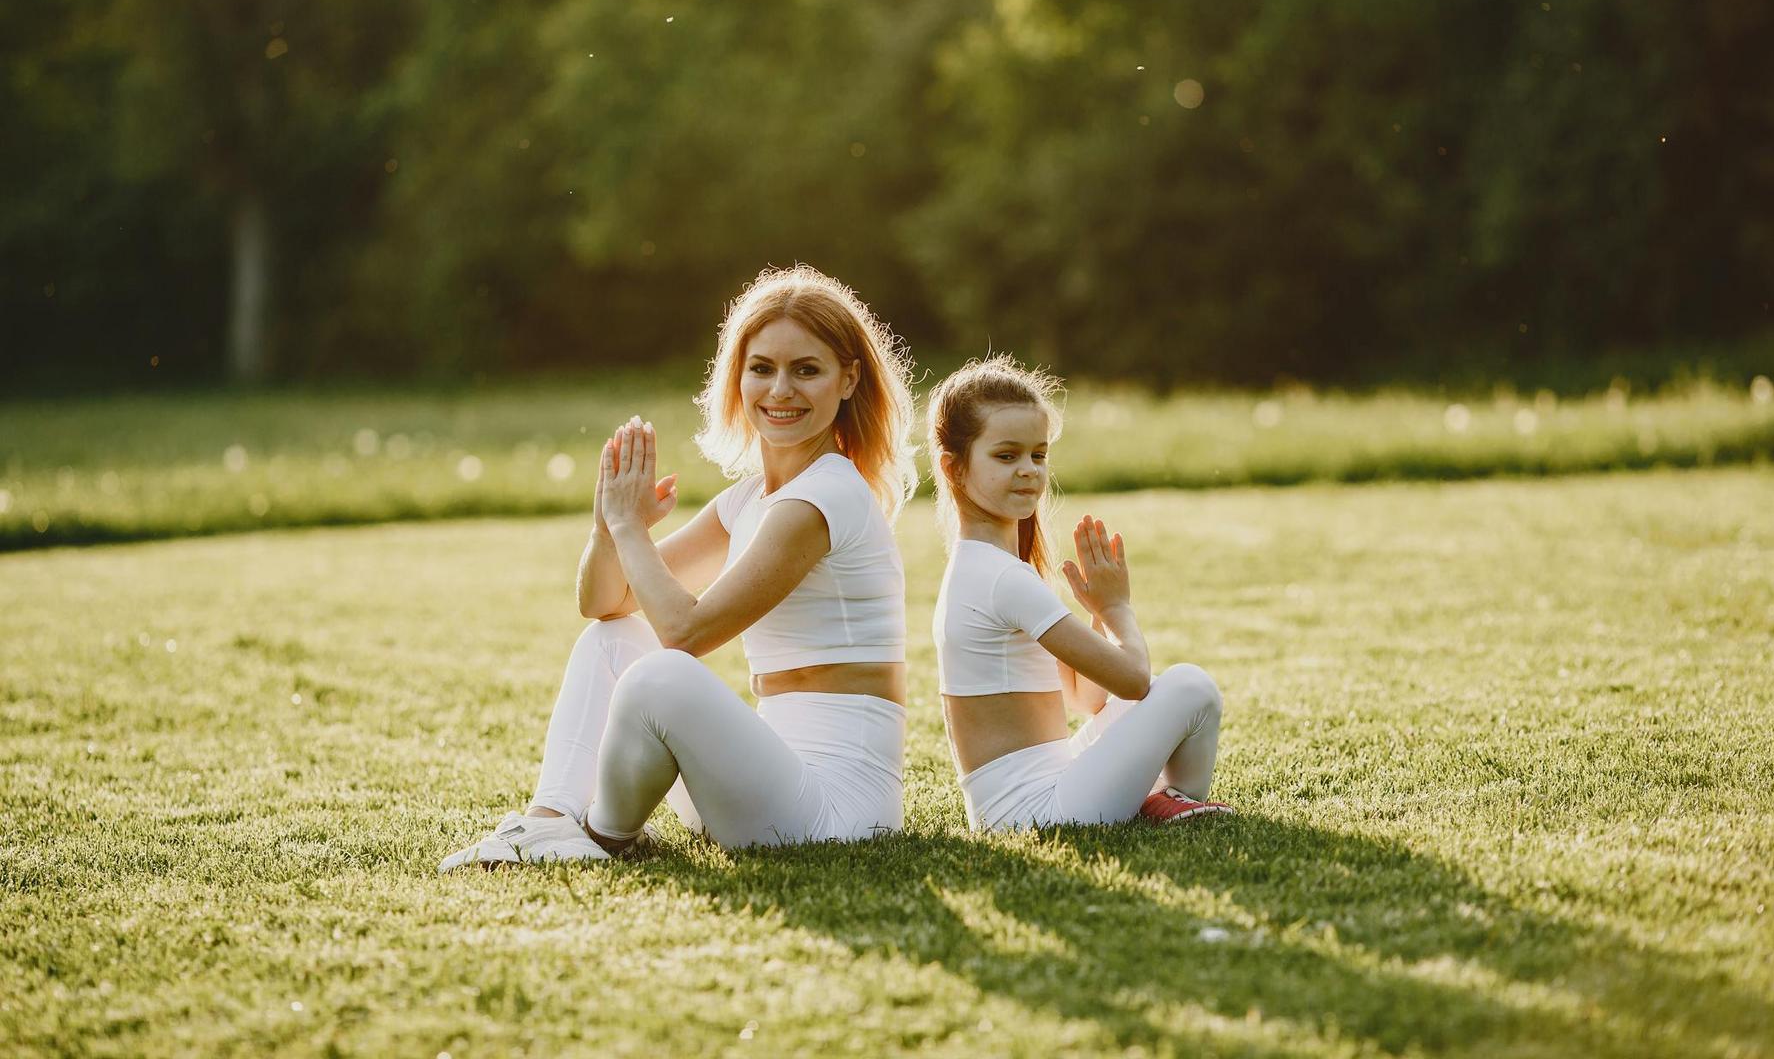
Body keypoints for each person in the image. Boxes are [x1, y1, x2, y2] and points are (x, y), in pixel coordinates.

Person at [440, 266, 915, 870]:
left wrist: (631, 527)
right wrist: (608, 527)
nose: (780, 390)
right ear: (737, 376)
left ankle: (601, 840)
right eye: (762, 368)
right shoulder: (749, 498)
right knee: (613, 640)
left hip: (838, 813)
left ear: (848, 380)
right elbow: (604, 602)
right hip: (766, 780)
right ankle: (551, 820)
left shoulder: (825, 497)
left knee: (661, 675)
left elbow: (686, 633)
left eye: (807, 370)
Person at [926, 356, 1232, 832]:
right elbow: (1132, 679)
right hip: (1035, 814)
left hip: (1041, 791)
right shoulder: (1001, 577)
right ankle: (1171, 801)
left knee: (1149, 702)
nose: (1028, 470)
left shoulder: (988, 567)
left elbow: (1085, 697)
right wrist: (1117, 609)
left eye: (1038, 454)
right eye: (1006, 456)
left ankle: (1162, 799)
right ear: (954, 468)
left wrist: (1097, 618)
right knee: (1191, 686)